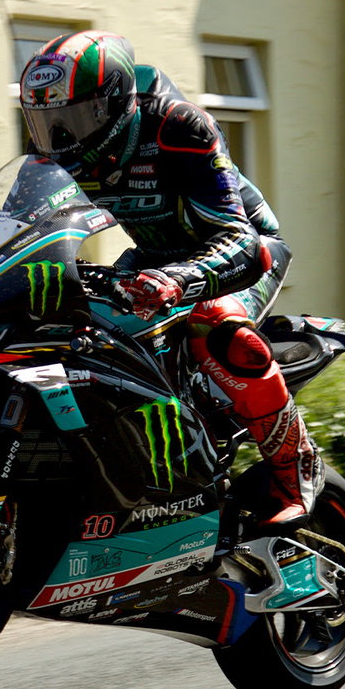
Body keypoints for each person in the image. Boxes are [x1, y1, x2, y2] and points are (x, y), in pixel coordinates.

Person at [18, 31, 321, 526]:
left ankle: (296, 466)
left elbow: (238, 236)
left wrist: (179, 278)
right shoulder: (53, 158)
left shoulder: (178, 127)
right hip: (151, 257)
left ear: (114, 103)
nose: (62, 139)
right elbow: (20, 229)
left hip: (242, 250)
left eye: (73, 120)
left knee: (218, 327)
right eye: (48, 123)